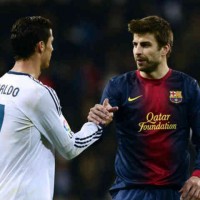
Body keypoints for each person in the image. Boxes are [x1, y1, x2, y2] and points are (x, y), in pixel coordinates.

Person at [0, 16, 117, 200]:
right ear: (40, 46)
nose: (52, 49)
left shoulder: (1, 85)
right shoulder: (38, 93)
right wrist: (97, 124)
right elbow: (70, 147)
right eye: (51, 43)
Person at [88, 15, 200, 200]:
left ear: (165, 48)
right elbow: (97, 136)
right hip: (130, 191)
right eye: (135, 44)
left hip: (175, 191)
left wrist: (197, 176)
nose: (137, 51)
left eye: (145, 45)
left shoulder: (187, 86)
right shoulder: (119, 86)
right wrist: (97, 121)